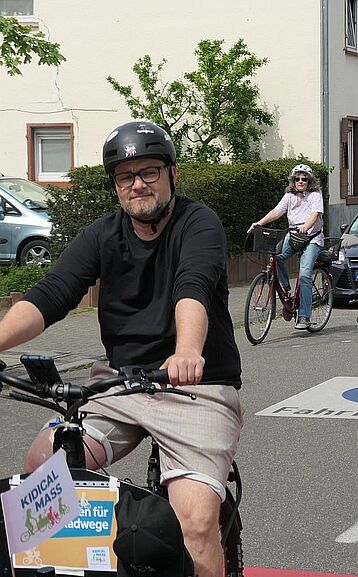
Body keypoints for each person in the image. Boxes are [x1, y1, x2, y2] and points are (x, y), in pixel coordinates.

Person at [0, 121, 243, 577]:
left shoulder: (199, 223)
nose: (138, 185)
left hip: (197, 387)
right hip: (120, 383)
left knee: (194, 522)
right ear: (114, 184)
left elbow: (193, 287)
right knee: (42, 471)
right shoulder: (102, 234)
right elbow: (52, 294)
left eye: (149, 172)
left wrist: (187, 350)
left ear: (172, 174)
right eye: (125, 176)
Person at [248, 164, 324, 329]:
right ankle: (285, 287)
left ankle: (304, 316)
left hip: (311, 238)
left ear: (310, 181)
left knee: (304, 274)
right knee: (277, 257)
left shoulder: (315, 195)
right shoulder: (289, 196)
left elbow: (315, 214)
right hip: (293, 234)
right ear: (293, 180)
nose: (300, 181)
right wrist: (258, 223)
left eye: (304, 178)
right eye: (297, 178)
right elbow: (277, 211)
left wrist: (306, 226)